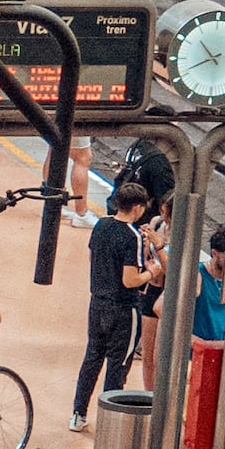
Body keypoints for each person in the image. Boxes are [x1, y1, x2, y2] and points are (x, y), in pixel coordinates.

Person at [70, 174, 158, 429]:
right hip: (124, 308)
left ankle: (78, 413)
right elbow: (130, 280)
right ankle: (110, 420)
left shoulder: (101, 225)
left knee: (92, 357)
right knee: (118, 364)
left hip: (97, 303)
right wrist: (151, 271)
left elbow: (91, 257)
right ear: (139, 208)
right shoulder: (132, 236)